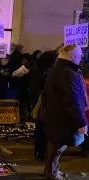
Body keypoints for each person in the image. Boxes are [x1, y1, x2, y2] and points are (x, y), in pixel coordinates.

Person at [43, 44, 88, 180]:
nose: (81, 58)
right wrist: (82, 122)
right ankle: (52, 173)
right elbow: (73, 100)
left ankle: (52, 171)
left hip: (55, 115)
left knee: (54, 146)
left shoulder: (58, 69)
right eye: (79, 55)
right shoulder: (69, 73)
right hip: (62, 117)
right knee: (56, 147)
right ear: (72, 56)